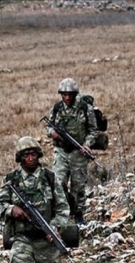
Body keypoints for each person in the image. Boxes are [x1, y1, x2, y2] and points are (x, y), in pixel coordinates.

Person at [45, 78, 99, 225]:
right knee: (58, 182)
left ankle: (78, 213)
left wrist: (87, 145)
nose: (67, 97)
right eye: (64, 94)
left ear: (75, 94)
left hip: (78, 152)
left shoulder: (84, 108)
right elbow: (48, 127)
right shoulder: (57, 109)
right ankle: (61, 212)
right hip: (61, 151)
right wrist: (52, 133)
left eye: (70, 94)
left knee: (78, 185)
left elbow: (93, 131)